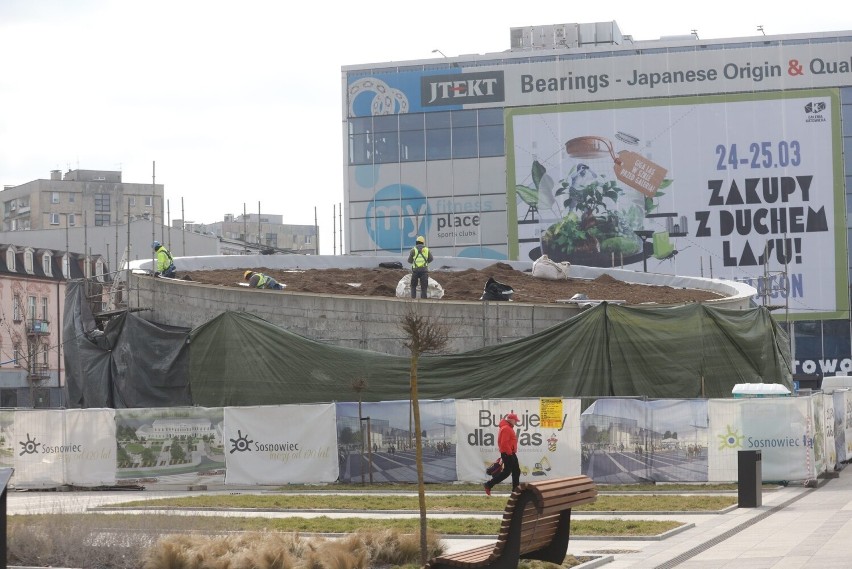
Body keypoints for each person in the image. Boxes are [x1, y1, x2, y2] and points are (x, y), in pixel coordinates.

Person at [484, 412, 521, 496]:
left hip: (510, 453)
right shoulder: (506, 428)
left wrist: (511, 453)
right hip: (508, 453)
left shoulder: (508, 428)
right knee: (506, 472)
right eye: (515, 420)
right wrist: (509, 453)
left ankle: (515, 491)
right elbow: (504, 443)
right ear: (511, 420)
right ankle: (489, 484)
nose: (516, 422)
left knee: (516, 471)